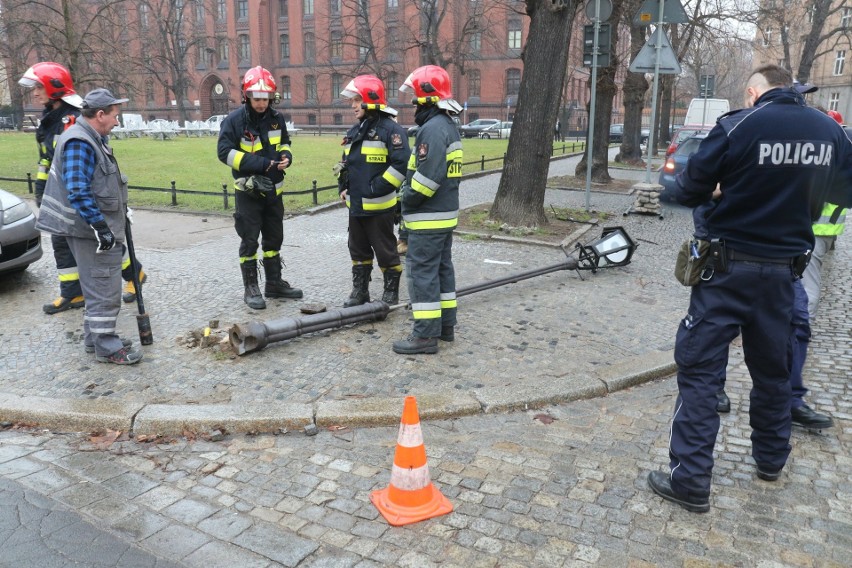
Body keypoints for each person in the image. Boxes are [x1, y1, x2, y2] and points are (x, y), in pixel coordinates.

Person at [648, 64, 852, 513]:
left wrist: (723, 192)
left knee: (701, 374)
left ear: (754, 90)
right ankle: (771, 461)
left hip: (725, 272)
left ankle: (691, 482)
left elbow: (686, 189)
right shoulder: (828, 130)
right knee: (774, 374)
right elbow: (846, 189)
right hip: (783, 276)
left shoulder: (740, 124)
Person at [19, 62, 149, 316]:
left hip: (76, 197)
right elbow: (47, 158)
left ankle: (134, 274)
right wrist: (41, 186)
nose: (34, 93)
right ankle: (72, 292)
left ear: (53, 87)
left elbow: (85, 165)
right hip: (58, 195)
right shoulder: (51, 118)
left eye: (38, 86)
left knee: (101, 242)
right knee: (62, 242)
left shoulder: (72, 120)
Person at [35, 88, 142, 364]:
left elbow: (97, 183)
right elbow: (78, 190)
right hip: (87, 231)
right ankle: (107, 346)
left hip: (88, 228)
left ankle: (95, 339)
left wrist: (119, 208)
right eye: (115, 116)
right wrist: (100, 227)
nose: (117, 122)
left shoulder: (89, 137)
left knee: (95, 285)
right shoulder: (80, 141)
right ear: (100, 114)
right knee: (105, 287)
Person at [217, 66, 302, 310]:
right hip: (249, 192)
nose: (262, 103)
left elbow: (285, 142)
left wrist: (287, 155)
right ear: (247, 96)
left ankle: (274, 283)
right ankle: (251, 287)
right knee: (250, 240)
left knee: (274, 238)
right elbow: (224, 153)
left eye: (266, 99)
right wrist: (262, 164)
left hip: (274, 191)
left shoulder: (277, 119)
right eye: (257, 99)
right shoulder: (234, 121)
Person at [392, 65, 463, 355]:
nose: (412, 103)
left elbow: (425, 181)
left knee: (422, 275)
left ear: (427, 98)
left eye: (415, 97)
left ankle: (424, 336)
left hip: (427, 220)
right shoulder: (447, 125)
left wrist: (403, 199)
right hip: (444, 217)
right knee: (442, 271)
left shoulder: (431, 130)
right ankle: (445, 328)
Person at [336, 75, 408, 307]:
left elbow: (400, 167)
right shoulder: (355, 130)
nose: (353, 105)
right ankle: (360, 292)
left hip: (379, 209)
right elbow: (346, 163)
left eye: (358, 99)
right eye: (352, 100)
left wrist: (375, 188)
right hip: (356, 207)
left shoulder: (392, 131)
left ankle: (390, 293)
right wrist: (343, 187)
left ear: (371, 100)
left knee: (386, 251)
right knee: (357, 251)